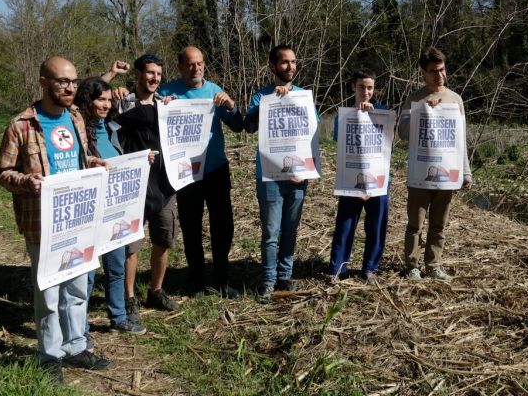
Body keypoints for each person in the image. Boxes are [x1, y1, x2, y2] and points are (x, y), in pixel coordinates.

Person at [0, 56, 110, 384]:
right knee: (49, 293)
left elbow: (77, 158)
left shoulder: (75, 118)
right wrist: (24, 183)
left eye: (73, 81)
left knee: (77, 288)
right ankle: (49, 354)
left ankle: (76, 347)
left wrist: (94, 163)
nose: (70, 87)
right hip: (43, 225)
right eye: (62, 81)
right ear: (44, 82)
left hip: (79, 219)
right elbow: (2, 172)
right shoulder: (21, 124)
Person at [157, 46, 243, 297]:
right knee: (191, 225)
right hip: (185, 172)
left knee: (222, 225)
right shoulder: (167, 92)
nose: (196, 68)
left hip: (215, 168)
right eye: (191, 64)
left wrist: (231, 105)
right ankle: (196, 279)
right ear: (181, 67)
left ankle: (222, 278)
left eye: (200, 63)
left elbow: (237, 126)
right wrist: (164, 108)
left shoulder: (215, 91)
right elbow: (153, 124)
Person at [245, 44, 318, 303]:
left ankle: (285, 276)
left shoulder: (303, 98)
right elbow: (249, 127)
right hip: (270, 177)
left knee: (290, 229)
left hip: (297, 177)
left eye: (294, 62)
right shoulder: (261, 96)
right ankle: (267, 280)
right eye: (285, 62)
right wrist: (270, 103)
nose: (291, 67)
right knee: (270, 231)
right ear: (273, 66)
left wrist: (308, 168)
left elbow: (312, 134)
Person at [75, 76, 146, 335]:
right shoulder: (79, 130)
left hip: (115, 211)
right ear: (87, 100)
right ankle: (79, 327)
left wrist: (141, 160)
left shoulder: (112, 128)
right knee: (89, 273)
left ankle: (118, 317)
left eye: (107, 100)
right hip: (92, 213)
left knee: (116, 268)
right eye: (99, 99)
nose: (105, 105)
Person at [113, 53, 180, 317]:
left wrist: (172, 107)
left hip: (165, 186)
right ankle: (129, 298)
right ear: (138, 75)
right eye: (150, 73)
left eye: (158, 75)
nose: (154, 78)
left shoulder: (165, 106)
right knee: (131, 246)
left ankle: (156, 291)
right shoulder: (124, 103)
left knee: (163, 240)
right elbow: (92, 102)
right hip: (134, 187)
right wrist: (114, 86)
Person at [398, 47, 472, 281]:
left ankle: (434, 265)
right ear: (423, 72)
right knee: (415, 224)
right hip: (420, 174)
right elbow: (403, 133)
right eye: (433, 71)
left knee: (439, 224)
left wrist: (466, 173)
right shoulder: (415, 98)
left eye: (442, 70)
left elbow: (461, 140)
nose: (439, 75)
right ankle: (411, 265)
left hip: (446, 175)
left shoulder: (455, 99)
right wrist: (422, 113)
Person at [328, 69, 389, 283]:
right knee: (345, 225)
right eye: (362, 86)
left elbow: (388, 145)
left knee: (376, 226)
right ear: (353, 87)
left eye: (370, 87)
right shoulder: (342, 116)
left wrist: (372, 115)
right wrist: (357, 115)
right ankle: (338, 268)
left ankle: (370, 268)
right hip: (351, 179)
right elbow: (341, 144)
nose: (366, 91)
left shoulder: (383, 113)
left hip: (378, 181)